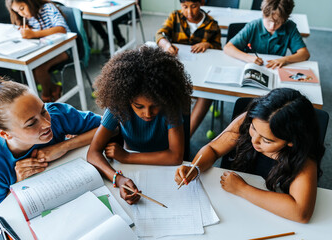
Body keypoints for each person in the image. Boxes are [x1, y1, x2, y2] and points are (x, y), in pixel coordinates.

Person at [175, 88, 324, 223]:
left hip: (269, 217)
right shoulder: (252, 120)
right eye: (253, 128)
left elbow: (300, 212)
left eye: (266, 140)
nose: (254, 140)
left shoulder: (302, 157)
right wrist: (194, 167)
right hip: (231, 205)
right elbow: (213, 148)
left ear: (291, 141)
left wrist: (242, 189)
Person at [0, 73, 101, 219]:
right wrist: (18, 185)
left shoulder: (56, 114)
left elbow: (111, 125)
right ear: (5, 134)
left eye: (43, 110)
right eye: (31, 123)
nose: (47, 123)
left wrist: (64, 146)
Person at [87, 46, 192, 205]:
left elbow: (175, 156)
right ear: (126, 99)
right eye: (139, 106)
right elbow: (93, 153)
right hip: (133, 170)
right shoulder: (118, 105)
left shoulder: (170, 105)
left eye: (155, 105)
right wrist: (119, 179)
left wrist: (126, 157)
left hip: (164, 170)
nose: (148, 113)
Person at [155, 0, 222, 137]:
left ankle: (185, 137)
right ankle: (165, 133)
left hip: (201, 72)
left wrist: (207, 44)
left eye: (194, 6)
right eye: (185, 7)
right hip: (179, 71)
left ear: (201, 3)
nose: (189, 12)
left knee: (205, 95)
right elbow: (160, 35)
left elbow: (219, 50)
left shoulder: (212, 24)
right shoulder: (175, 16)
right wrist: (167, 46)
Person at [6, 0, 70, 102]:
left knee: (40, 69)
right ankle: (53, 88)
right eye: (17, 11)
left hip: (63, 49)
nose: (21, 13)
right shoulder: (27, 18)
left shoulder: (47, 8)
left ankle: (45, 98)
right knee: (26, 69)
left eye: (22, 8)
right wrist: (27, 30)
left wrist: (34, 34)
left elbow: (61, 29)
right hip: (44, 50)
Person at [224, 0, 310, 69]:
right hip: (252, 66)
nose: (272, 26)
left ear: (285, 19)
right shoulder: (253, 26)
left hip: (274, 69)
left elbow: (305, 54)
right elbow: (228, 48)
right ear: (263, 14)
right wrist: (248, 58)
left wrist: (285, 59)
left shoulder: (290, 27)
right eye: (269, 21)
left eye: (278, 22)